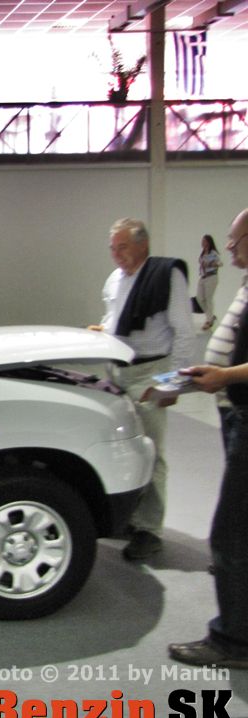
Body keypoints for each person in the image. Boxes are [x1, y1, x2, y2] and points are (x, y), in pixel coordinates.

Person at [168, 208, 248, 668]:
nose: (228, 247)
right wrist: (209, 376)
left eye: (236, 240)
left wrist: (224, 376)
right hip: (235, 413)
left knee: (230, 535)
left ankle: (233, 642)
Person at [91, 218, 195, 560]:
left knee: (152, 450)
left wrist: (175, 382)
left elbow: (184, 331)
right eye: (112, 248)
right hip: (117, 371)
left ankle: (149, 529)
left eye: (122, 247)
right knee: (125, 448)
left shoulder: (166, 275)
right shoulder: (114, 279)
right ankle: (130, 517)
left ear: (143, 245)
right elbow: (113, 319)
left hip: (150, 372)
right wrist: (101, 331)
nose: (116, 254)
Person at [196, 234, 222, 330]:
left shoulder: (213, 253)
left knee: (208, 298)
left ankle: (209, 320)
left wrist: (210, 263)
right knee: (199, 298)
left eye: (204, 241)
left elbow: (220, 263)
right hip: (203, 277)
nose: (202, 243)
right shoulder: (203, 253)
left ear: (209, 242)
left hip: (211, 277)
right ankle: (210, 316)